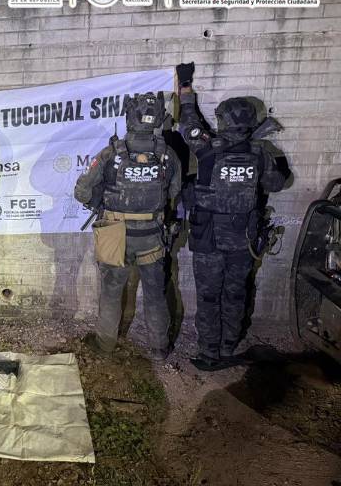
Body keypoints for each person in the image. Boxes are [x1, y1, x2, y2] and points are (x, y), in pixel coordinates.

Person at [176, 62, 287, 370]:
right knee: (236, 294)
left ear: (223, 120)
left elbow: (188, 122)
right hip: (243, 240)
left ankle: (209, 352)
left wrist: (185, 85)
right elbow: (276, 184)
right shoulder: (260, 152)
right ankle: (228, 347)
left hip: (208, 239)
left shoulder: (208, 148)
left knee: (209, 297)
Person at [74, 93, 182, 362]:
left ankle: (105, 345)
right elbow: (175, 190)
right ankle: (159, 349)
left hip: (115, 234)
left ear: (129, 117)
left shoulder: (112, 153)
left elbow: (81, 191)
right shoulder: (167, 155)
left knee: (111, 293)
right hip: (152, 235)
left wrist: (101, 203)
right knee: (155, 294)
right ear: (158, 118)